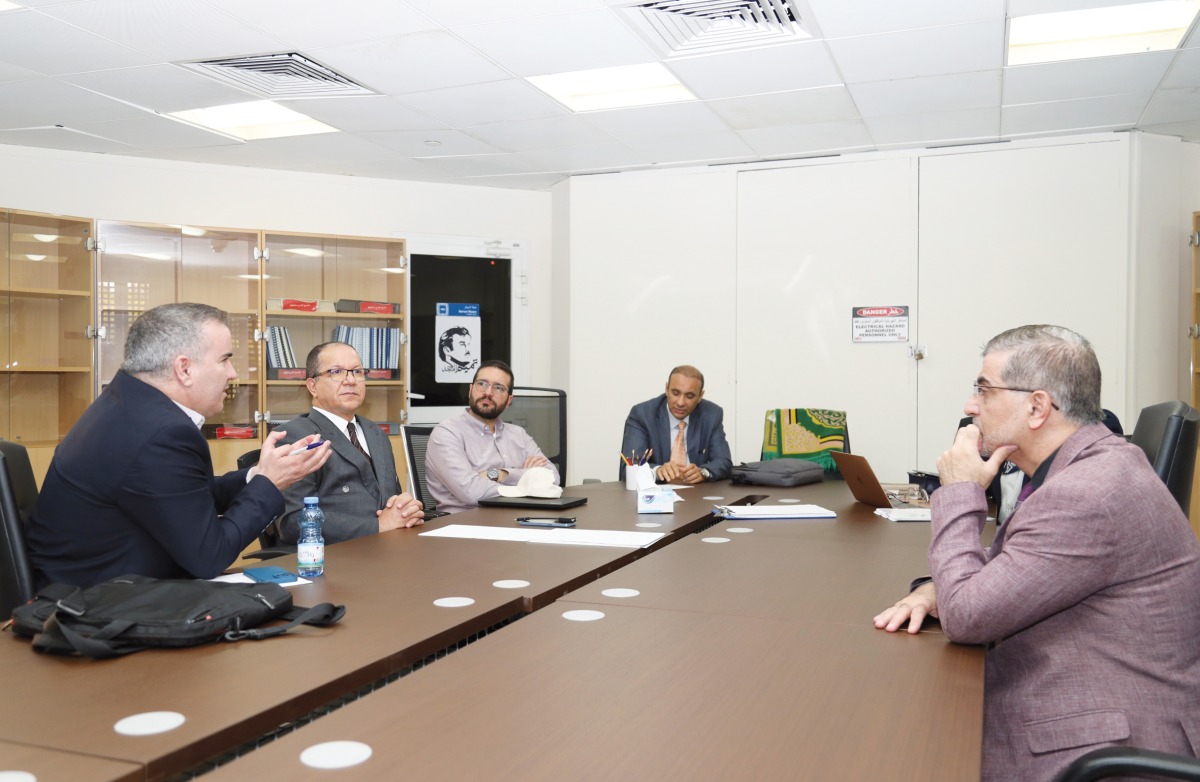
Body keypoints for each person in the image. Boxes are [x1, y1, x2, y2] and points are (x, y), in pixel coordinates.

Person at [873, 325, 1200, 782]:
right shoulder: (1088, 466)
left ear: (1037, 406)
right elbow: (1027, 564)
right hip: (1088, 703)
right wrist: (935, 589)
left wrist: (961, 491)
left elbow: (968, 617)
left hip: (1102, 744)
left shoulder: (1087, 492)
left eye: (983, 390)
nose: (971, 406)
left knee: (892, 745)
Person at [26, 303, 332, 589]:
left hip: (92, 585)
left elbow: (180, 496)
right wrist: (269, 483)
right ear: (184, 369)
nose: (233, 374)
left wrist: (258, 475)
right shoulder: (162, 433)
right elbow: (209, 557)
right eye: (225, 359)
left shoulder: (127, 402)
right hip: (100, 605)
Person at [272, 342, 424, 544]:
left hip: (390, 550)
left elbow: (390, 502)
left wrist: (406, 510)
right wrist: (378, 527)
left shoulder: (376, 434)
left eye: (357, 372)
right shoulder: (296, 436)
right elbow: (293, 522)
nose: (350, 380)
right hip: (335, 560)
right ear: (313, 386)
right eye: (336, 372)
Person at [424, 359, 559, 513]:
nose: (488, 392)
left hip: (516, 519)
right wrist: (529, 480)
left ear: (509, 400)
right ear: (470, 390)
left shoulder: (518, 434)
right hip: (465, 525)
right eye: (481, 384)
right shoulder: (447, 433)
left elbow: (552, 477)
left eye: (498, 388)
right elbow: (471, 493)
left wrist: (498, 474)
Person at [620, 365, 732, 484]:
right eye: (675, 393)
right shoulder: (642, 415)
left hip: (697, 495)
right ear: (667, 389)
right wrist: (657, 471)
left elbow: (724, 461)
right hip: (653, 496)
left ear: (700, 396)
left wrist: (703, 472)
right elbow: (629, 468)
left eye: (689, 396)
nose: (680, 402)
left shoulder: (711, 414)